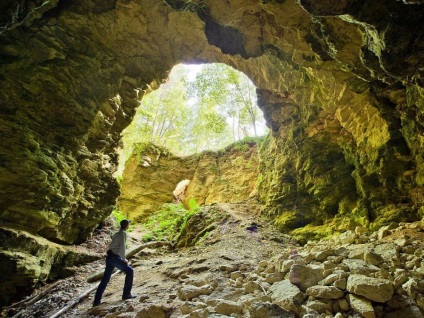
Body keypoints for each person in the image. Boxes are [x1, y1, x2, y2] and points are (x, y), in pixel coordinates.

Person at [93, 219, 136, 306]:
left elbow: (113, 246)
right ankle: (126, 294)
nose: (129, 225)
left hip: (110, 257)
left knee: (105, 280)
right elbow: (123, 247)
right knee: (130, 271)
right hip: (114, 257)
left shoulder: (117, 233)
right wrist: (124, 259)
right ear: (127, 225)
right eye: (128, 224)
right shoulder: (123, 233)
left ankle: (96, 302)